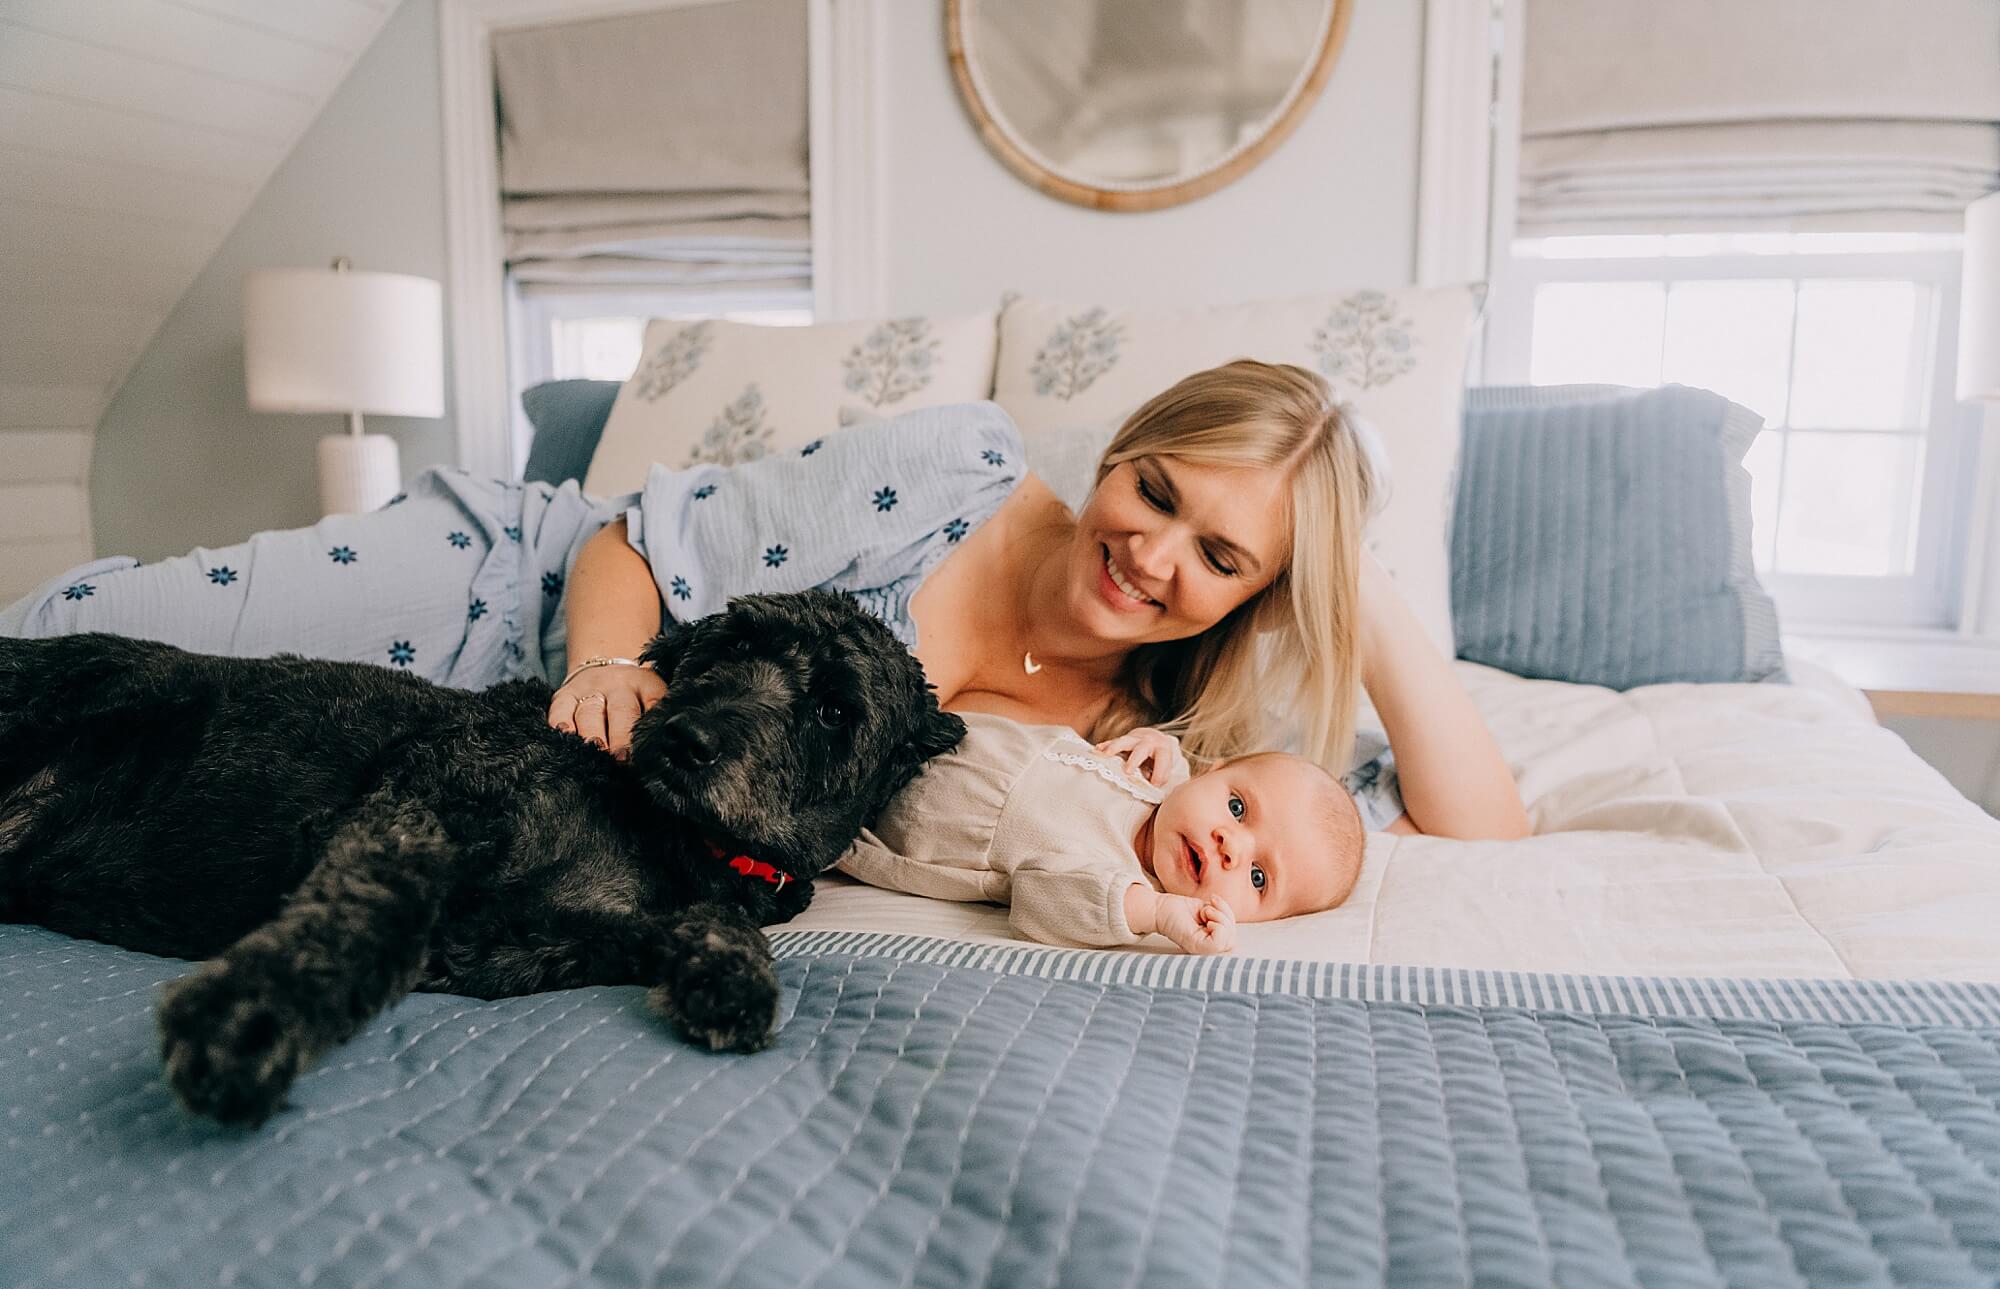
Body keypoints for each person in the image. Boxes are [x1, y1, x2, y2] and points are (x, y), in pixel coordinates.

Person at [3, 361, 1528, 839]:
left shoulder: (1174, 728)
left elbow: (1478, 834)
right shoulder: (959, 474)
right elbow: (642, 544)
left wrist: (1363, 588)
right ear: (1123, 455)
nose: (1156, 559)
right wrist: (608, 668)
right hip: (498, 588)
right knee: (82, 640)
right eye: (1160, 496)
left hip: (496, 761)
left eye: (1224, 560)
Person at [838, 717, 1366, 953]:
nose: (1232, 844)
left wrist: (1156, 915)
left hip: (880, 813)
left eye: (1257, 876)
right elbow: (1176, 777)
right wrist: (1157, 741)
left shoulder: (1121, 888)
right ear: (1213, 770)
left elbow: (1040, 903)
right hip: (915, 728)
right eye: (1237, 806)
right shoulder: (1164, 782)